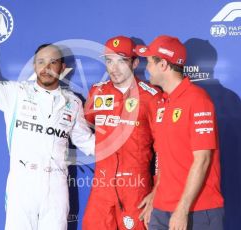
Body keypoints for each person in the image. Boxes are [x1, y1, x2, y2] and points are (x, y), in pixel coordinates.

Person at [0, 10, 95, 230]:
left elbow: (87, 141)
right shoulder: (15, 94)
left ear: (62, 68)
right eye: (41, 62)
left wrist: (125, 139)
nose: (46, 67)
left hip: (57, 186)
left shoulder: (73, 103)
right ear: (34, 66)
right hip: (23, 184)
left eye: (53, 62)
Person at [135, 35, 224, 230]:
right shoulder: (163, 102)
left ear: (164, 65)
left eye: (149, 62)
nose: (146, 68)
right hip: (161, 209)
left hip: (196, 211)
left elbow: (203, 160)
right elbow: (167, 159)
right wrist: (156, 195)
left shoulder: (198, 100)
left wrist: (182, 209)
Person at [83, 36, 161, 230]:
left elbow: (164, 150)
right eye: (109, 60)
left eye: (121, 61)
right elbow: (84, 127)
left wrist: (157, 192)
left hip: (136, 189)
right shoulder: (96, 93)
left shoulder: (152, 97)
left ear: (134, 63)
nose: (114, 68)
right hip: (101, 189)